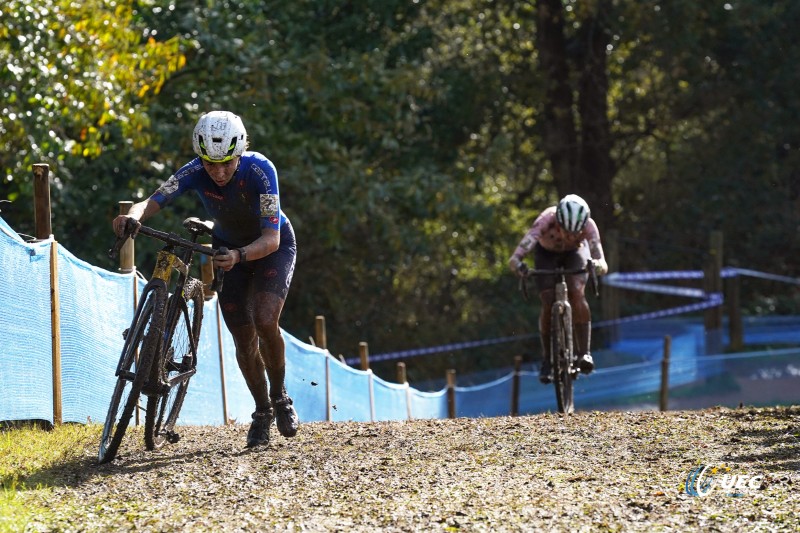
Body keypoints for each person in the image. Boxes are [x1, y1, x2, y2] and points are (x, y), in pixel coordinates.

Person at [112, 110, 298, 448]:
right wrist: (133, 215)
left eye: (227, 163)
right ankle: (261, 413)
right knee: (243, 338)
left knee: (265, 319)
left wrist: (241, 255)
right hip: (229, 250)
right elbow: (152, 200)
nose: (219, 171)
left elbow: (270, 239)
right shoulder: (194, 171)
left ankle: (280, 394)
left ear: (240, 153)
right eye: (211, 165)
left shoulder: (261, 170)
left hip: (271, 247)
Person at [508, 194, 608, 384]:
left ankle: (584, 353)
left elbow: (602, 262)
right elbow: (520, 252)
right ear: (558, 222)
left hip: (575, 253)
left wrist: (596, 265)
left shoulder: (589, 225)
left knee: (577, 292)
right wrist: (517, 263)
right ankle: (547, 359)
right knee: (547, 300)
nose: (570, 236)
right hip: (546, 253)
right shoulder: (546, 219)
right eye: (566, 231)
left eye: (574, 232)